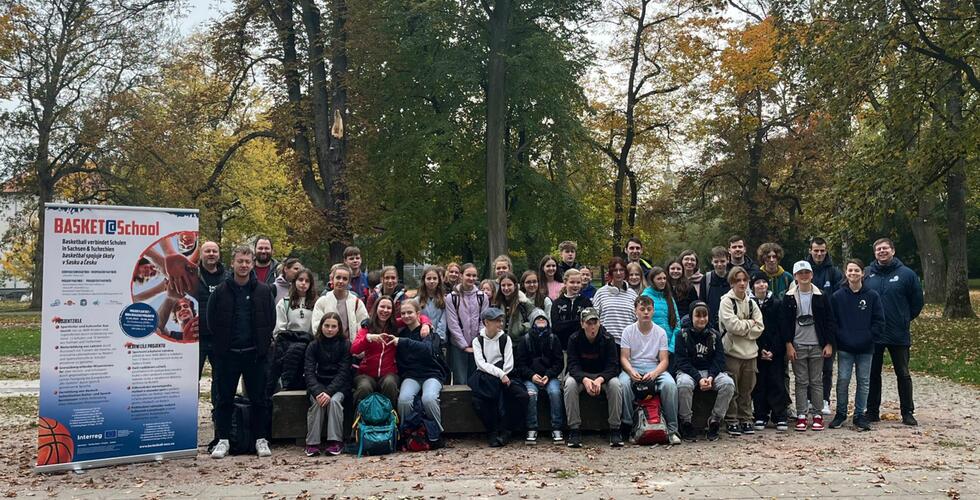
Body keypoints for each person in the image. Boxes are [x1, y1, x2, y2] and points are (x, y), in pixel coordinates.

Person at [206, 245, 276, 459]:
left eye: (247, 261)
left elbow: (270, 320)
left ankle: (260, 439)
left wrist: (262, 347)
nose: (244, 265)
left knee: (259, 399)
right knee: (223, 399)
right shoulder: (220, 291)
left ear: (253, 263)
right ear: (232, 263)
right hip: (228, 355)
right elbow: (211, 321)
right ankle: (223, 439)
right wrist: (221, 347)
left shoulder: (263, 291)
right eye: (240, 261)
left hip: (255, 354)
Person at [863, 238, 923, 426]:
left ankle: (907, 412)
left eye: (885, 248)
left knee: (903, 373)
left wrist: (904, 318)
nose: (882, 251)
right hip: (874, 333)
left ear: (893, 251)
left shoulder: (907, 274)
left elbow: (917, 302)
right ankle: (872, 411)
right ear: (874, 253)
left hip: (898, 332)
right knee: (873, 373)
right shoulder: (867, 274)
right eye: (878, 249)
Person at [618, 295, 681, 445]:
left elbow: (664, 360)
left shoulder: (660, 332)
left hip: (654, 368)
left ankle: (672, 430)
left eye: (649, 309)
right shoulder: (628, 331)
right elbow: (624, 358)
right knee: (624, 384)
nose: (645, 312)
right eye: (642, 309)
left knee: (670, 385)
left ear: (653, 311)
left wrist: (654, 374)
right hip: (633, 367)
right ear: (636, 312)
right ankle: (628, 425)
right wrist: (631, 370)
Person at [830, 259, 885, 432]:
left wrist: (869, 337)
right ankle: (840, 413)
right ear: (845, 273)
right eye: (850, 270)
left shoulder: (872, 295)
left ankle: (860, 415)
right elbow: (833, 321)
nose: (853, 273)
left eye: (856, 270)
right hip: (845, 347)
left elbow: (879, 321)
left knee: (864, 382)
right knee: (843, 380)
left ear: (863, 273)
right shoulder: (838, 296)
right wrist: (840, 338)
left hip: (865, 347)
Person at [783, 261, 836, 432]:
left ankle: (818, 414)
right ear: (795, 276)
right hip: (797, 344)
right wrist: (788, 344)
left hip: (817, 344)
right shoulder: (788, 296)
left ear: (812, 275)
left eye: (807, 272)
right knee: (801, 381)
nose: (804, 276)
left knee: (816, 381)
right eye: (800, 273)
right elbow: (784, 323)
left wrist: (828, 343)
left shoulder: (821, 295)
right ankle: (801, 414)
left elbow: (829, 320)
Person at [675, 302, 735, 442]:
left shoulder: (715, 335)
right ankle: (686, 422)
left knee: (728, 384)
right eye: (698, 316)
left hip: (710, 372)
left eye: (705, 315)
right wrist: (698, 378)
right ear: (691, 317)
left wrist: (711, 377)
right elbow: (681, 361)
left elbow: (719, 360)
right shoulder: (682, 335)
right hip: (689, 372)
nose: (701, 319)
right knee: (683, 384)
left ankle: (715, 421)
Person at [564, 307, 623, 448]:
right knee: (569, 384)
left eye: (595, 322)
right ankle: (574, 429)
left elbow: (613, 367)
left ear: (599, 323)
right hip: (581, 376)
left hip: (602, 377)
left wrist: (600, 379)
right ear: (582, 324)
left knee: (615, 385)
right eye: (588, 323)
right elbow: (572, 366)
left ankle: (615, 429)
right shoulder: (574, 339)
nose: (592, 326)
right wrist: (584, 379)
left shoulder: (608, 339)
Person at [469, 307, 528, 447]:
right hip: (486, 377)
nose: (500, 324)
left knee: (522, 396)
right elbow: (481, 364)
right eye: (496, 321)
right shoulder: (477, 341)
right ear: (486, 322)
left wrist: (503, 374)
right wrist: (499, 374)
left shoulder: (505, 338)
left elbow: (509, 364)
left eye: (501, 321)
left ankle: (507, 429)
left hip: (506, 375)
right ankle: (493, 431)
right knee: (483, 400)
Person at [719, 266, 764, 436]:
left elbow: (760, 326)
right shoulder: (726, 302)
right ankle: (732, 419)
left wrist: (744, 327)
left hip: (751, 353)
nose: (742, 283)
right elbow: (732, 326)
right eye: (738, 280)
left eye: (745, 280)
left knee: (747, 389)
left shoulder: (752, 303)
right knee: (733, 389)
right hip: (732, 352)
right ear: (732, 282)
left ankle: (745, 418)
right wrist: (749, 324)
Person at [395, 300, 447, 449]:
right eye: (403, 313)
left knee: (429, 399)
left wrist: (404, 342)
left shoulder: (428, 332)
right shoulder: (402, 333)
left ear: (418, 314)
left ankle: (436, 434)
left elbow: (428, 350)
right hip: (412, 375)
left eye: (410, 312)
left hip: (432, 373)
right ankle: (407, 433)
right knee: (404, 400)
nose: (406, 316)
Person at [303, 312, 352, 457]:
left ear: (339, 328)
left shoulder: (345, 345)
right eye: (327, 326)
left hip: (339, 386)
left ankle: (335, 442)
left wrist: (329, 392)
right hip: (318, 384)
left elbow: (344, 373)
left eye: (333, 326)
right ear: (321, 326)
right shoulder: (313, 346)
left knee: (334, 402)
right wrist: (318, 391)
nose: (329, 329)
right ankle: (312, 443)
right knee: (318, 403)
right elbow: (309, 372)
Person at [807, 237, 844, 417]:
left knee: (826, 367)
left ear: (826, 250)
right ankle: (808, 399)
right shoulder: (803, 269)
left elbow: (838, 298)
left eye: (822, 250)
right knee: (806, 366)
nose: (819, 254)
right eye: (816, 250)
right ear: (810, 250)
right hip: (806, 325)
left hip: (828, 325)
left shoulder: (834, 272)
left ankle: (824, 400)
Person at [515, 311, 565, 444]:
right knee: (531, 394)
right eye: (538, 319)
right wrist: (531, 376)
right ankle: (531, 427)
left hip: (550, 377)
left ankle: (557, 427)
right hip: (531, 377)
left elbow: (559, 362)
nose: (541, 320)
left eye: (544, 318)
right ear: (532, 322)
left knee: (555, 392)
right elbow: (520, 364)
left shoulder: (554, 339)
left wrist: (549, 375)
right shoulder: (525, 340)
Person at [749, 272, 788, 432]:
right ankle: (760, 415)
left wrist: (774, 350)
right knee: (759, 384)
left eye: (764, 282)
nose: (761, 285)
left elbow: (782, 328)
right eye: (757, 282)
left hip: (775, 352)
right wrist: (760, 350)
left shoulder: (777, 303)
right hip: (756, 350)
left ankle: (780, 415)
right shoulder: (749, 304)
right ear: (753, 286)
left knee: (777, 382)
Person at [350, 296, 401, 408]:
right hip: (366, 373)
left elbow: (415, 317)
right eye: (382, 306)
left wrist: (426, 324)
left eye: (389, 308)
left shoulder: (395, 326)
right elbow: (354, 349)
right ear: (376, 308)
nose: (385, 310)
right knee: (364, 388)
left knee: (390, 384)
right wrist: (368, 338)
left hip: (388, 373)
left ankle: (390, 418)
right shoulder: (367, 328)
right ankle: (361, 420)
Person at [446, 263, 489, 383]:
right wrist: (464, 345)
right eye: (468, 275)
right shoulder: (452, 297)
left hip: (477, 345)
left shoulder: (482, 297)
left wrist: (477, 341)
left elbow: (483, 320)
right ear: (461, 276)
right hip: (458, 346)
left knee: (475, 379)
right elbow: (453, 324)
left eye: (474, 275)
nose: (471, 278)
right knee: (460, 381)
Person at [194, 240, 227, 378]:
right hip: (197, 336)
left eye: (214, 251)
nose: (211, 254)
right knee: (193, 377)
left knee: (220, 378)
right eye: (207, 251)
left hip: (220, 336)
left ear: (219, 255)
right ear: (201, 255)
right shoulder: (191, 276)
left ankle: (218, 401)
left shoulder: (228, 277)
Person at [311, 264, 369, 340]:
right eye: (338, 278)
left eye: (345, 279)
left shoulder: (357, 302)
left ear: (349, 282)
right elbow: (316, 327)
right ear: (332, 279)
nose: (341, 281)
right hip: (327, 346)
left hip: (350, 347)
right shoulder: (322, 302)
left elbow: (363, 325)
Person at [591, 257, 637, 345]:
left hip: (627, 343)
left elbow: (637, 320)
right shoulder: (600, 293)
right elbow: (594, 317)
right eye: (615, 270)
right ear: (611, 272)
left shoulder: (633, 294)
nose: (618, 273)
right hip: (605, 342)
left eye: (621, 270)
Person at [641, 267, 682, 358]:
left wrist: (671, 347)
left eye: (664, 278)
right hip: (651, 348)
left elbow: (677, 323)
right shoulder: (645, 296)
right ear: (652, 280)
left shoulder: (668, 297)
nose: (662, 281)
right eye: (659, 279)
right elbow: (642, 323)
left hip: (669, 347)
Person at [551, 268, 593, 349]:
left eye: (578, 282)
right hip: (562, 347)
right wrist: (578, 322)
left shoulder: (586, 302)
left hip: (581, 347)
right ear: (565, 282)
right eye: (572, 282)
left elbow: (588, 325)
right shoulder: (557, 303)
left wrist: (565, 324)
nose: (575, 285)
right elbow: (556, 327)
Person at [495, 272, 536, 341]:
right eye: (503, 285)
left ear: (515, 286)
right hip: (500, 342)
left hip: (519, 342)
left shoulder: (524, 302)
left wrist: (521, 328)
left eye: (509, 285)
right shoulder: (497, 303)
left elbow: (534, 320)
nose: (506, 288)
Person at [275, 268, 316, 336]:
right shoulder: (284, 303)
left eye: (307, 281)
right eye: (300, 280)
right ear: (294, 281)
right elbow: (279, 328)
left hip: (310, 343)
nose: (303, 283)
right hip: (290, 342)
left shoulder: (316, 302)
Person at [416, 266, 448, 343]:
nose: (432, 281)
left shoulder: (444, 300)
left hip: (439, 340)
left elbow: (443, 321)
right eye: (429, 278)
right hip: (421, 339)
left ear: (439, 281)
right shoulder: (417, 301)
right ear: (424, 280)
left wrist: (438, 338)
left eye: (434, 278)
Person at [703, 247, 731, 330]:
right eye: (716, 261)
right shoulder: (706, 279)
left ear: (728, 260)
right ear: (712, 261)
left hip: (729, 323)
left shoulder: (733, 278)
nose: (719, 264)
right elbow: (702, 302)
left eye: (722, 261)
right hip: (711, 325)